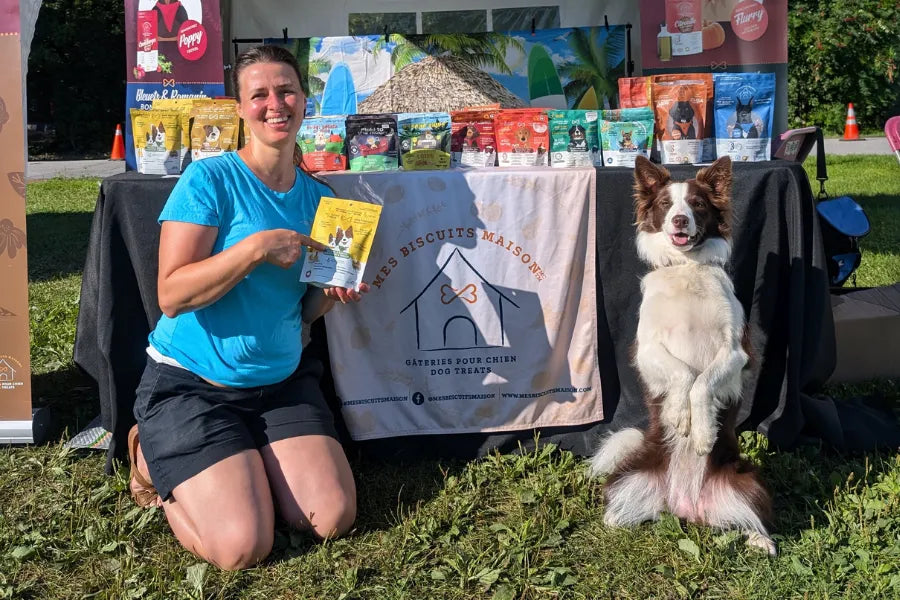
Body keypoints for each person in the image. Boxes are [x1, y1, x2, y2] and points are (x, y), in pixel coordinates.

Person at [127, 45, 367, 571]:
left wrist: (331, 294)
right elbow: (172, 294)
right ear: (240, 108)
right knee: (242, 547)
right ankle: (149, 457)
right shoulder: (209, 180)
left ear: (305, 100)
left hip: (280, 383)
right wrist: (256, 249)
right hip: (193, 386)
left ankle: (248, 461)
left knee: (331, 517)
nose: (275, 103)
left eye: (286, 91)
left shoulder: (322, 198)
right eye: (259, 94)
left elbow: (302, 314)